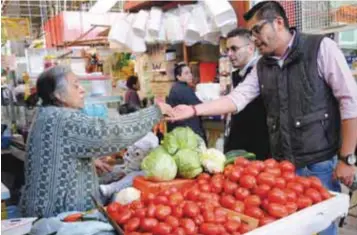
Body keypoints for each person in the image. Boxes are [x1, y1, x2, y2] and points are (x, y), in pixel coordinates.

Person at [169, 2, 357, 235]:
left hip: (318, 165)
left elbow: (350, 102)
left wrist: (347, 159)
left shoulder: (320, 48)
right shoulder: (262, 66)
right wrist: (194, 110)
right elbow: (237, 99)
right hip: (281, 169)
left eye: (257, 30)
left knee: (322, 228)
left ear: (278, 22)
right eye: (252, 33)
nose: (255, 38)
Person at [19, 65, 173, 217]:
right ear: (58, 95)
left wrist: (89, 160)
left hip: (46, 213)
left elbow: (61, 150)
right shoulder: (62, 119)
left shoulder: (47, 115)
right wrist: (155, 113)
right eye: (75, 85)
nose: (82, 89)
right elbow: (110, 132)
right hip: (60, 218)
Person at [223, 28, 270, 160]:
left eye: (234, 49)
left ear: (250, 48)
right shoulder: (237, 74)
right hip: (239, 153)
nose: (229, 54)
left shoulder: (261, 73)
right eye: (228, 50)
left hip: (255, 153)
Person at [166, 62, 207, 142]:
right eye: (186, 73)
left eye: (190, 72)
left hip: (181, 130)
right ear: (178, 77)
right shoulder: (182, 89)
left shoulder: (177, 87)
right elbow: (199, 106)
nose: (190, 75)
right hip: (187, 131)